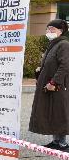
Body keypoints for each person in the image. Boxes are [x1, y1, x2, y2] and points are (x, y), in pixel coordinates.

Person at [29, 19, 69, 151]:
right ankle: (55, 141)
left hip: (57, 85)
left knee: (59, 112)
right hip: (48, 84)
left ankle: (63, 143)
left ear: (60, 31)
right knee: (51, 112)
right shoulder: (52, 44)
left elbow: (64, 66)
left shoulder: (63, 44)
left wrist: (54, 82)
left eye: (52, 29)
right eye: (48, 29)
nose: (49, 31)